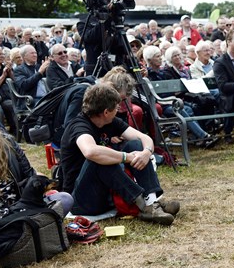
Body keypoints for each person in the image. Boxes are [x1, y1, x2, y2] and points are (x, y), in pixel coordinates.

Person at [0, 91, 73, 268]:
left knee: (64, 198)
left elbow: (29, 176)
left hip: (24, 209)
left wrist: (27, 204)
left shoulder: (8, 142)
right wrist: (6, 215)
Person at [60, 84, 180, 225]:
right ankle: (143, 206)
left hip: (105, 192)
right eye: (116, 108)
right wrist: (126, 157)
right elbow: (90, 151)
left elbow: (144, 138)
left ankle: (152, 201)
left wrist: (146, 153)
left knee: (136, 144)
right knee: (99, 159)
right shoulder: (79, 126)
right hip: (82, 200)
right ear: (106, 112)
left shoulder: (109, 121)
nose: (118, 111)